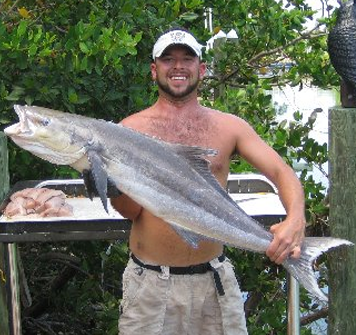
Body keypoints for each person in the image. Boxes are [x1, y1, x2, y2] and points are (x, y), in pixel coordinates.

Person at [110, 28, 306, 335]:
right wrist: (110, 182)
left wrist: (296, 218)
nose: (178, 66)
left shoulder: (230, 127)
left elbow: (282, 173)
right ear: (153, 70)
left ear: (201, 69)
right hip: (150, 286)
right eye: (168, 59)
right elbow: (130, 211)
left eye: (187, 59)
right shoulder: (128, 131)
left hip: (215, 284)